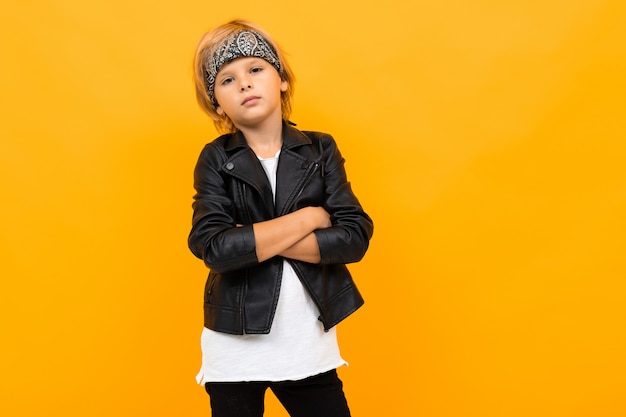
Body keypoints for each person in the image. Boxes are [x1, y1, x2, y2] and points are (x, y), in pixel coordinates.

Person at [188, 19, 374, 417]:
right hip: (233, 350)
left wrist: (253, 240)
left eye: (256, 69)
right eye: (227, 79)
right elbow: (215, 248)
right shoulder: (216, 158)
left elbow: (354, 237)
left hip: (307, 346)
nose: (244, 84)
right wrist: (309, 217)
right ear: (217, 102)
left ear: (282, 79)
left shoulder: (320, 150)